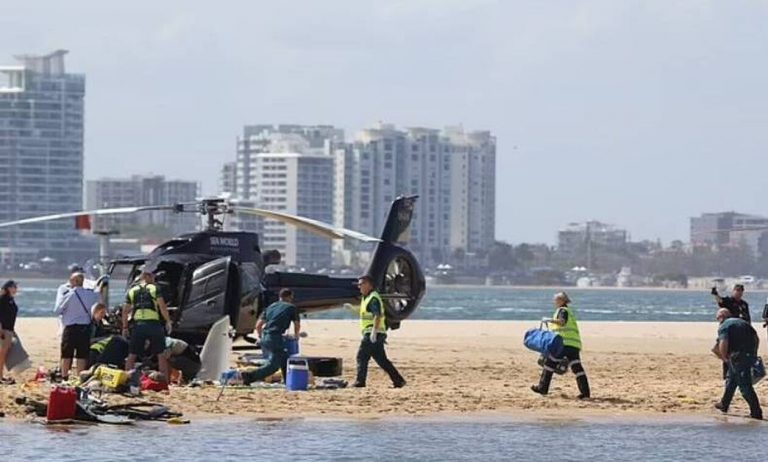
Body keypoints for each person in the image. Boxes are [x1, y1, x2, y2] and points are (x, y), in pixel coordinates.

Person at [531, 292, 591, 399]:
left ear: (562, 300)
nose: (554, 302)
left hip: (562, 344)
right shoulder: (569, 311)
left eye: (556, 300)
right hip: (573, 345)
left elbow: (562, 322)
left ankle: (542, 388)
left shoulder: (562, 310)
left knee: (549, 365)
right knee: (577, 368)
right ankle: (585, 393)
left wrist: (549, 320)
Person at [353, 275, 406, 388]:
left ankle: (360, 382)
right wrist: (352, 309)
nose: (359, 287)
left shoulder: (373, 298)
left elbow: (377, 316)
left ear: (368, 285)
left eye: (361, 284)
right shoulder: (366, 298)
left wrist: (374, 332)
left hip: (372, 333)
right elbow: (366, 314)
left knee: (362, 357)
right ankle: (399, 381)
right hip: (375, 333)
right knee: (381, 360)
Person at [242, 288, 301, 385]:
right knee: (273, 366)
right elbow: (297, 324)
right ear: (290, 297)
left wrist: (261, 337)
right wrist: (296, 336)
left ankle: (288, 381)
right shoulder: (291, 307)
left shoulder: (270, 307)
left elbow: (258, 325)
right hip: (276, 337)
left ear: (280, 297)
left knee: (284, 358)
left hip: (266, 336)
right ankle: (250, 376)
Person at [122, 269, 172, 380]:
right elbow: (162, 306)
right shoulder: (154, 288)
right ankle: (165, 381)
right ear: (149, 277)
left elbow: (125, 311)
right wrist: (168, 321)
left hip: (138, 325)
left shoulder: (132, 290)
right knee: (160, 353)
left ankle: (125, 378)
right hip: (153, 324)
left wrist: (125, 327)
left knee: (132, 354)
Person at [714, 308, 762, 420]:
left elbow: (723, 342)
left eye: (717, 318)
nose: (718, 321)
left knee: (745, 385)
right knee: (731, 379)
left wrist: (724, 357)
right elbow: (756, 338)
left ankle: (756, 412)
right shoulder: (743, 322)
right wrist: (753, 353)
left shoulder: (724, 326)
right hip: (749, 354)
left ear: (721, 317)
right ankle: (724, 404)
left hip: (737, 357)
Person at [55, 272, 100, 379]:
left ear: (74, 281)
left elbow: (57, 310)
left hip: (71, 327)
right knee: (82, 354)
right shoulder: (91, 294)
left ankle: (64, 376)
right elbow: (100, 302)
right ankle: (81, 376)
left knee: (67, 354)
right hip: (85, 327)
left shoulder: (69, 294)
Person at [0, 280, 19, 384]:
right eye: (14, 286)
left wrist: (13, 331)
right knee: (2, 354)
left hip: (9, 329)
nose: (16, 288)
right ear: (8, 288)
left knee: (4, 354)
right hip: (4, 330)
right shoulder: (3, 299)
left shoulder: (11, 299)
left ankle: (1, 375)